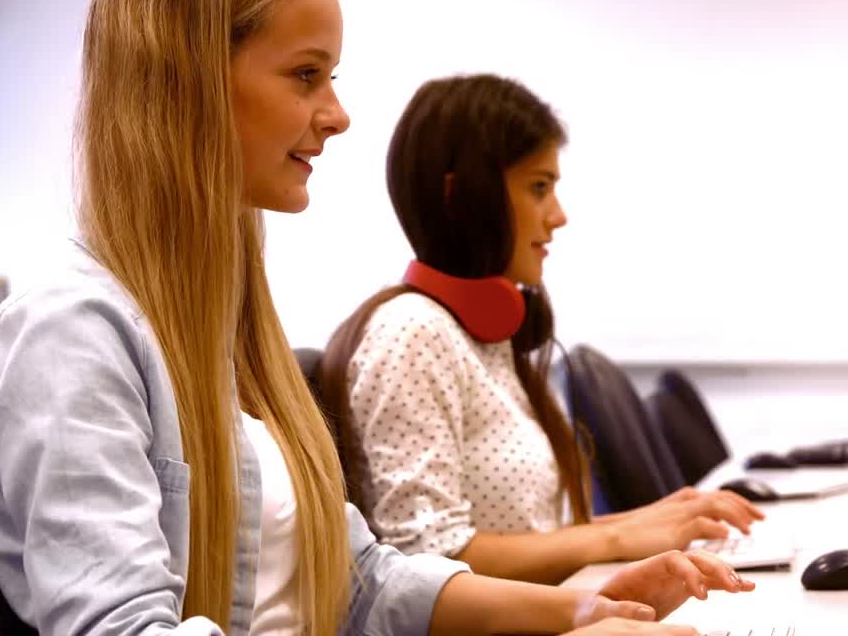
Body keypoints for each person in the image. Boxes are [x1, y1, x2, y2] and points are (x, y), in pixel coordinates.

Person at [0, 0, 751, 634]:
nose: (337, 113)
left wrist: (583, 608)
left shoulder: (228, 334)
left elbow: (360, 582)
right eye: (306, 75)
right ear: (187, 80)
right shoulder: (70, 336)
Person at [320, 74, 765, 586]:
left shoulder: (477, 337)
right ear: (463, 198)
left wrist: (654, 521)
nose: (558, 217)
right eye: (538, 188)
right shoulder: (412, 334)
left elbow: (527, 533)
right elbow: (429, 557)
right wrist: (617, 538)